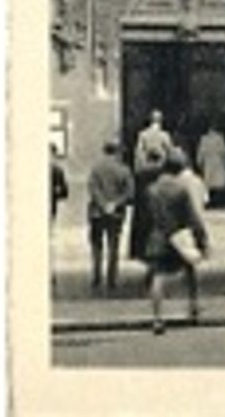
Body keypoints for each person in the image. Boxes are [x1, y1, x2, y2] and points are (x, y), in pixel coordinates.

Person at [143, 147, 209, 335]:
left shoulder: (152, 189)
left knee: (158, 277)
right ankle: (193, 307)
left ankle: (157, 317)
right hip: (178, 236)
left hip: (158, 236)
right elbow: (191, 217)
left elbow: (147, 217)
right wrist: (201, 238)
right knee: (190, 270)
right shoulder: (180, 190)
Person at [87, 139, 135, 291]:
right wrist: (115, 204)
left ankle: (96, 276)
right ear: (118, 152)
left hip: (97, 213)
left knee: (97, 246)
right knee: (113, 245)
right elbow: (130, 192)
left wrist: (103, 204)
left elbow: (92, 188)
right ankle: (111, 279)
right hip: (116, 214)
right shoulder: (124, 170)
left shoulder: (96, 168)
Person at [129, 145, 166, 261]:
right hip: (157, 201)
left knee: (140, 227)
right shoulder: (161, 172)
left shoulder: (140, 172)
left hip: (142, 203)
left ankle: (137, 251)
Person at [196, 125, 225, 207]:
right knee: (218, 183)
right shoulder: (220, 139)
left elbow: (201, 152)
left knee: (209, 183)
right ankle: (218, 201)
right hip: (218, 162)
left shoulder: (204, 139)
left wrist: (199, 162)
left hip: (208, 163)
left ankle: (210, 202)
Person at [50, 145, 68, 223]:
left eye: (51, 155)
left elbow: (64, 193)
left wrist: (59, 190)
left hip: (51, 209)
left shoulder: (58, 171)